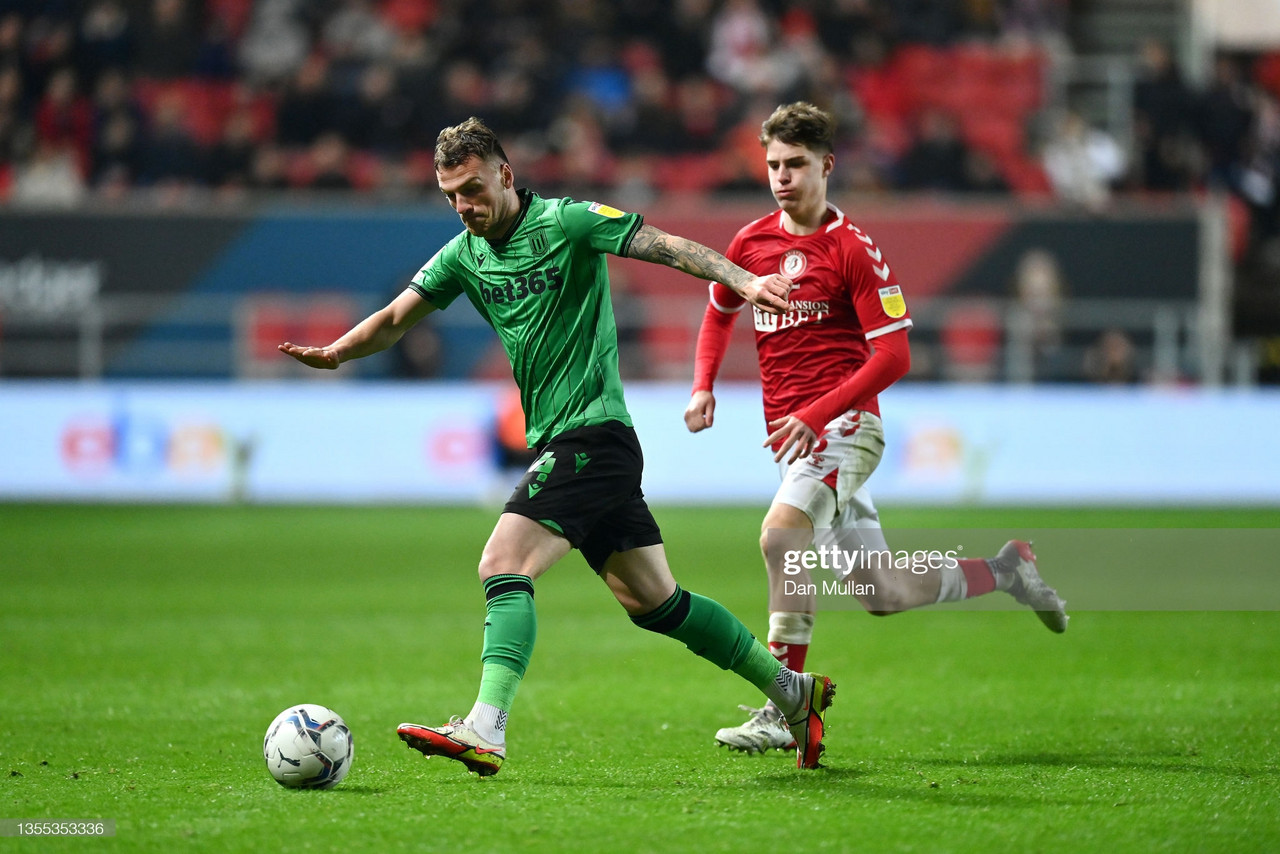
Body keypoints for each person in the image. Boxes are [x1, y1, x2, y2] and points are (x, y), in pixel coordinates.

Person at [279, 117, 837, 773]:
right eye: (451, 194)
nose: (464, 205)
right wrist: (340, 351)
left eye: (474, 188)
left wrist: (741, 281)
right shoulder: (465, 253)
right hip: (575, 442)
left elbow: (663, 245)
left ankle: (486, 726)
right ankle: (792, 693)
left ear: (506, 176)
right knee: (656, 602)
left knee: (501, 562)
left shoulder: (568, 222)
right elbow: (399, 316)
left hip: (593, 436)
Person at [683, 102, 1068, 755]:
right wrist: (702, 385)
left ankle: (784, 703)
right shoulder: (750, 244)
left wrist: (817, 412)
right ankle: (1006, 571)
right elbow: (721, 306)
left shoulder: (851, 249)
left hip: (845, 430)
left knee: (781, 539)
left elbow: (894, 356)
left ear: (827, 166)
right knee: (882, 592)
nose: (782, 177)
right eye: (773, 165)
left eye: (796, 165)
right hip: (796, 440)